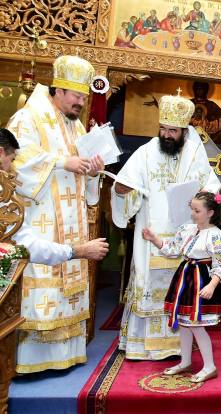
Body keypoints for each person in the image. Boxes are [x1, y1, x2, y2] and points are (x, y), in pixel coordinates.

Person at [6, 55, 104, 373]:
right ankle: (31, 360)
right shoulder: (28, 117)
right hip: (40, 220)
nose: (81, 103)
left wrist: (93, 172)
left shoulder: (76, 126)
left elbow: (83, 175)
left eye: (84, 98)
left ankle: (66, 355)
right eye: (76, 96)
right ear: (58, 89)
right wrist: (62, 162)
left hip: (72, 219)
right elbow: (15, 162)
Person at [111, 92, 221, 360]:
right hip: (151, 232)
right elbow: (124, 187)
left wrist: (205, 195)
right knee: (148, 282)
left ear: (184, 131)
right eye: (163, 129)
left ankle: (176, 346)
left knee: (181, 286)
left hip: (186, 234)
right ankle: (141, 345)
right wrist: (122, 190)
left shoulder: (194, 154)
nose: (167, 135)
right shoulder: (146, 153)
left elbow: (212, 186)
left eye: (173, 130)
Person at [141, 191, 221, 383]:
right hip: (185, 277)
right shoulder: (187, 229)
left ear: (210, 213)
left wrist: (212, 286)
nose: (192, 214)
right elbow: (173, 249)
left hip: (201, 279)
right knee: (184, 323)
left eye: (197, 211)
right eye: (192, 209)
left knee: (196, 325)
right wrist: (154, 238)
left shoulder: (216, 236)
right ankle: (186, 361)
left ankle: (210, 366)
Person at [0, 128, 109, 265]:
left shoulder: (78, 127)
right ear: (1, 152)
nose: (11, 168)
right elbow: (24, 245)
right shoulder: (3, 193)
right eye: (12, 160)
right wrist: (78, 251)